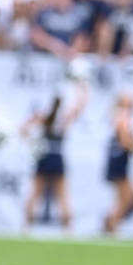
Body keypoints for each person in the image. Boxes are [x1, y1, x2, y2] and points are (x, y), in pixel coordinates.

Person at [22, 79, 89, 231]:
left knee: (36, 193)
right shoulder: (61, 118)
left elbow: (23, 129)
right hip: (56, 157)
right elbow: (79, 108)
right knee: (61, 194)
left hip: (44, 156)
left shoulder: (46, 116)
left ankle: (26, 227)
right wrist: (82, 90)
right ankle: (67, 229)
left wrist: (33, 143)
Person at [103, 92, 133, 234]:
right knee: (127, 199)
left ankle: (112, 224)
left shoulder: (121, 116)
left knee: (124, 199)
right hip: (118, 162)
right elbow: (125, 142)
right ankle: (111, 224)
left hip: (120, 162)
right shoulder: (122, 116)